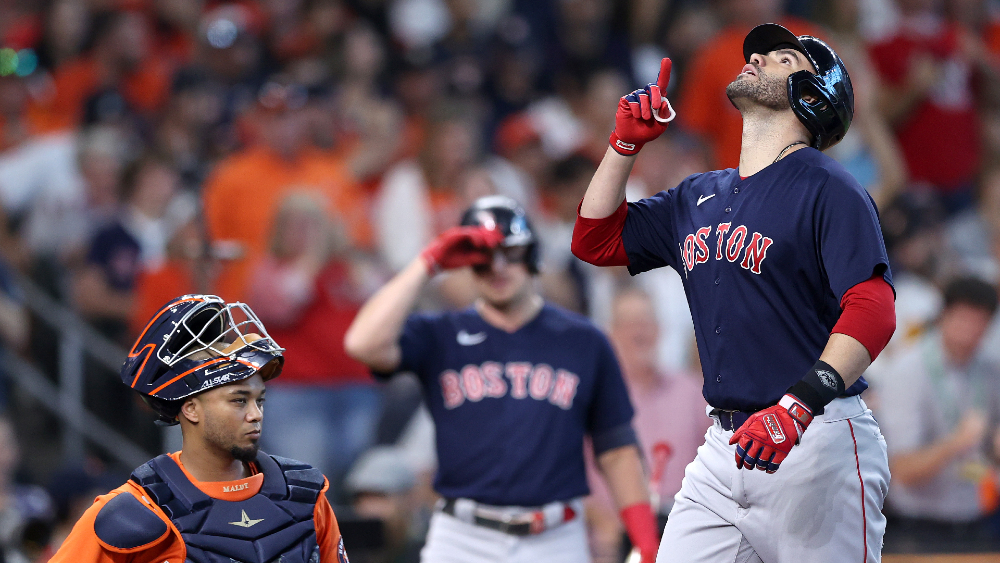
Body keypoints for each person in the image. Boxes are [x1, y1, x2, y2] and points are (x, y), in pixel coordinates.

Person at [572, 24, 896, 562]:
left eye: (783, 57)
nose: (760, 57)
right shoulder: (698, 194)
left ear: (814, 95)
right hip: (725, 444)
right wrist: (624, 145)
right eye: (760, 53)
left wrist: (797, 407)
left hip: (815, 435)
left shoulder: (828, 186)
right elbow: (594, 239)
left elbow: (874, 306)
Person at [344, 195, 661, 562]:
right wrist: (429, 261)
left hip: (555, 537)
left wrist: (646, 542)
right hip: (462, 538)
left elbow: (617, 449)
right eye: (480, 258)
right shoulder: (440, 333)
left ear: (532, 256)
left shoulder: (583, 340)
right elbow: (361, 343)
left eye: (509, 253)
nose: (497, 267)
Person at [48, 294, 350, 563]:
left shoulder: (305, 495)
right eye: (238, 401)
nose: (255, 414)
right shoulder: (133, 511)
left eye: (260, 400)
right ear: (190, 408)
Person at [873, 277, 1000, 551]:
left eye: (980, 323)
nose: (970, 331)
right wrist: (957, 442)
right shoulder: (908, 372)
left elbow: (988, 449)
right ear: (943, 316)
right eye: (963, 319)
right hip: (917, 529)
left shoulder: (989, 369)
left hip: (977, 519)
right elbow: (902, 469)